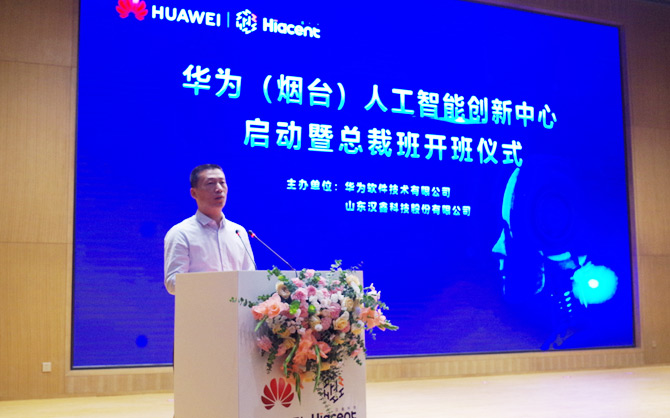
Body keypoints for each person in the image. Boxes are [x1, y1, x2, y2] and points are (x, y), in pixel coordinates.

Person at [164, 164, 255, 294]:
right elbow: (173, 283)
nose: (219, 189)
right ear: (194, 193)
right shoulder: (181, 233)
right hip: (200, 306)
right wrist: (216, 285)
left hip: (236, 306)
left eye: (222, 182)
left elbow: (250, 277)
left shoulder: (238, 232)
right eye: (210, 183)